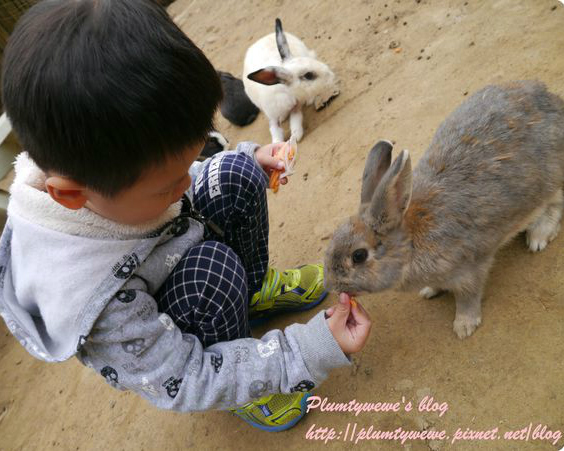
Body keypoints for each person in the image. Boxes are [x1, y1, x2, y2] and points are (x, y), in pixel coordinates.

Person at [0, 0, 371, 432]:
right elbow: (186, 376)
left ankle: (250, 293)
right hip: (179, 316)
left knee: (233, 172)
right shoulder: (95, 304)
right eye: (167, 183)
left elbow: (177, 179)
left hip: (165, 251)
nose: (185, 181)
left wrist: (249, 158)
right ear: (70, 197)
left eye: (188, 161)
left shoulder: (101, 178)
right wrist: (306, 351)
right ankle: (247, 381)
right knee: (212, 273)